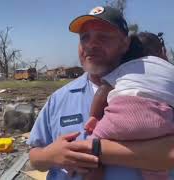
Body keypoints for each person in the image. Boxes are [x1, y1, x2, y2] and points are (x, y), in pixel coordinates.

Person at [28, 6, 174, 180]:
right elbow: (34, 158)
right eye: (84, 38)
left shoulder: (157, 89)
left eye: (103, 36)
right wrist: (50, 156)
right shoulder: (59, 99)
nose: (90, 44)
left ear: (125, 44)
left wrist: (96, 150)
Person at [83, 32, 174, 180]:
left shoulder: (125, 67)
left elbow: (102, 92)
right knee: (156, 166)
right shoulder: (169, 69)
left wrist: (94, 116)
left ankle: (94, 173)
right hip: (159, 123)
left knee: (93, 144)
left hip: (122, 117)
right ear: (161, 52)